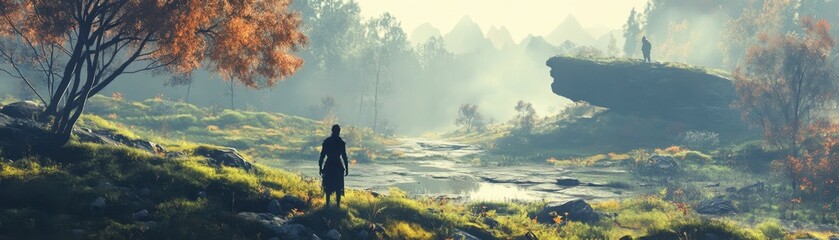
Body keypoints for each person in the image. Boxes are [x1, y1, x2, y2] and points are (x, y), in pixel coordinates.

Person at [319, 124, 349, 207]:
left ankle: (327, 204)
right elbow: (344, 156)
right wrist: (346, 168)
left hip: (329, 165)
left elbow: (322, 155)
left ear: (332, 131)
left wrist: (320, 167)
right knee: (338, 187)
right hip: (338, 165)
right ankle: (337, 206)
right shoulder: (341, 143)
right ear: (339, 131)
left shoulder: (327, 142)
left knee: (328, 186)